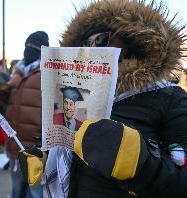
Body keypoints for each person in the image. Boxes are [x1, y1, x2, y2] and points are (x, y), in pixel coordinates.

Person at [18, 1, 187, 198]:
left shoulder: (170, 98)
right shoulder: (77, 90)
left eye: (100, 41)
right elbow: (74, 142)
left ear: (132, 42)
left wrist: (141, 166)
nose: (91, 49)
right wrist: (47, 156)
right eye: (86, 44)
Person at [0, 31, 49, 198]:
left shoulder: (47, 74)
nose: (28, 50)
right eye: (26, 46)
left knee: (34, 193)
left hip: (34, 148)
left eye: (33, 47)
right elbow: (5, 104)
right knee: (16, 189)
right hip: (15, 143)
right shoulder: (17, 73)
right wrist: (1, 88)